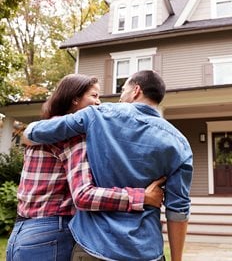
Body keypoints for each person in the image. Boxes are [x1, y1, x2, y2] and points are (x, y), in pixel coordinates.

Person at [24, 70, 193, 261]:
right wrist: (176, 258)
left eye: (123, 89)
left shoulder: (98, 115)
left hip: (94, 246)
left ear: (136, 90)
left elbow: (36, 132)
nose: (120, 96)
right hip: (145, 250)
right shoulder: (180, 143)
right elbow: (178, 210)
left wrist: (28, 133)